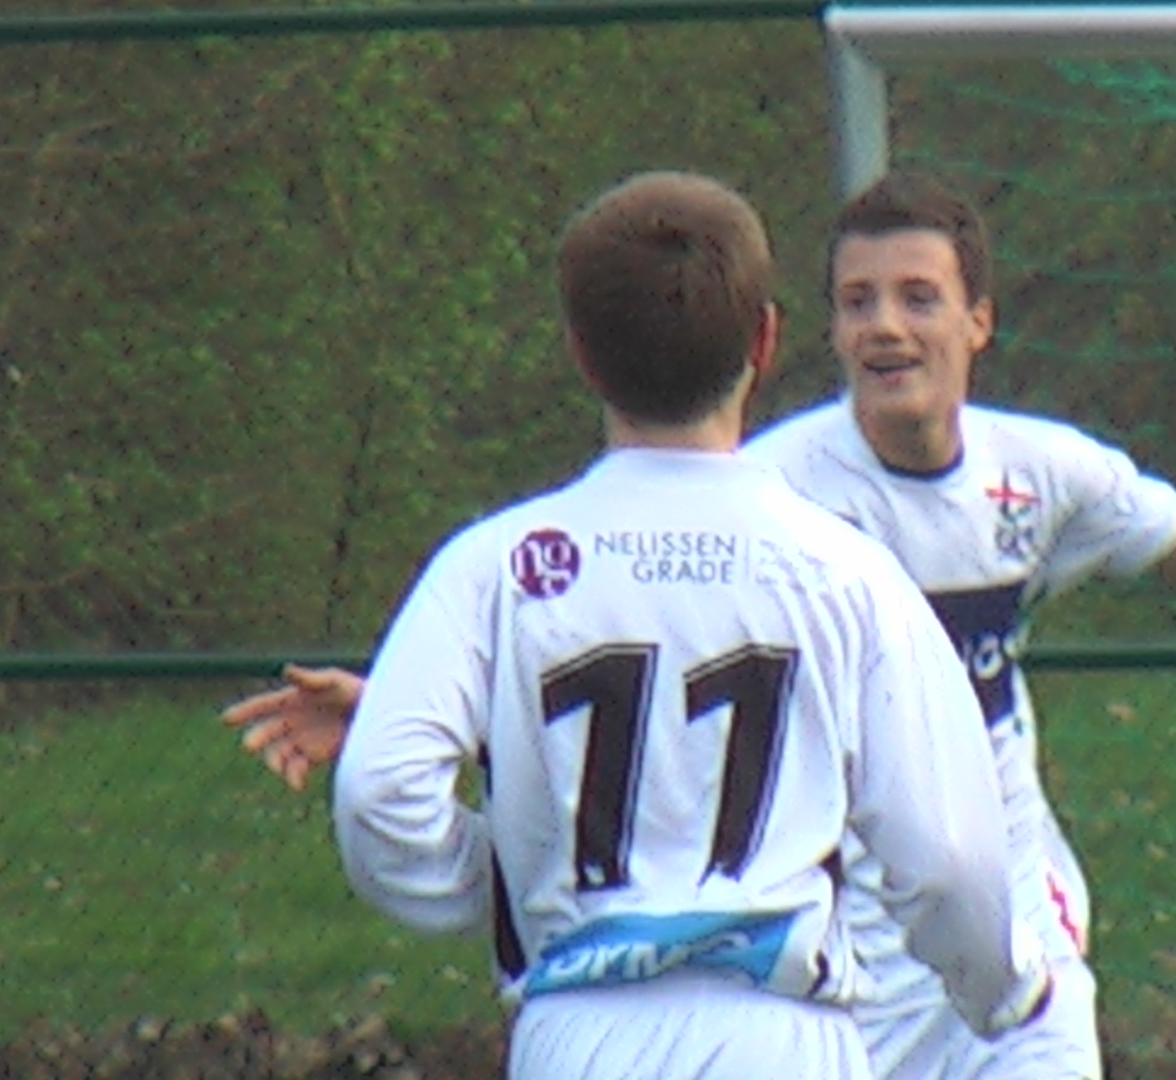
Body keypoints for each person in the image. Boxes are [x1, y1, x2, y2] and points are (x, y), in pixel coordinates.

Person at [227, 169, 1176, 1080]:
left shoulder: (1039, 476)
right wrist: (452, 707)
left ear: (980, 322)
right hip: (834, 963)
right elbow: (670, 677)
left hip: (893, 949)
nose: (886, 326)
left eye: (916, 297)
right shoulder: (806, 526)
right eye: (857, 301)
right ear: (786, 338)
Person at [321, 169, 1051, 1080]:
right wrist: (1003, 988)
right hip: (781, 1036)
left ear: (582, 354)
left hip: (579, 1031)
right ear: (765, 340)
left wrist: (507, 873)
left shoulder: (496, 566)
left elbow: (379, 794)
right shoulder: (847, 573)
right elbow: (946, 855)